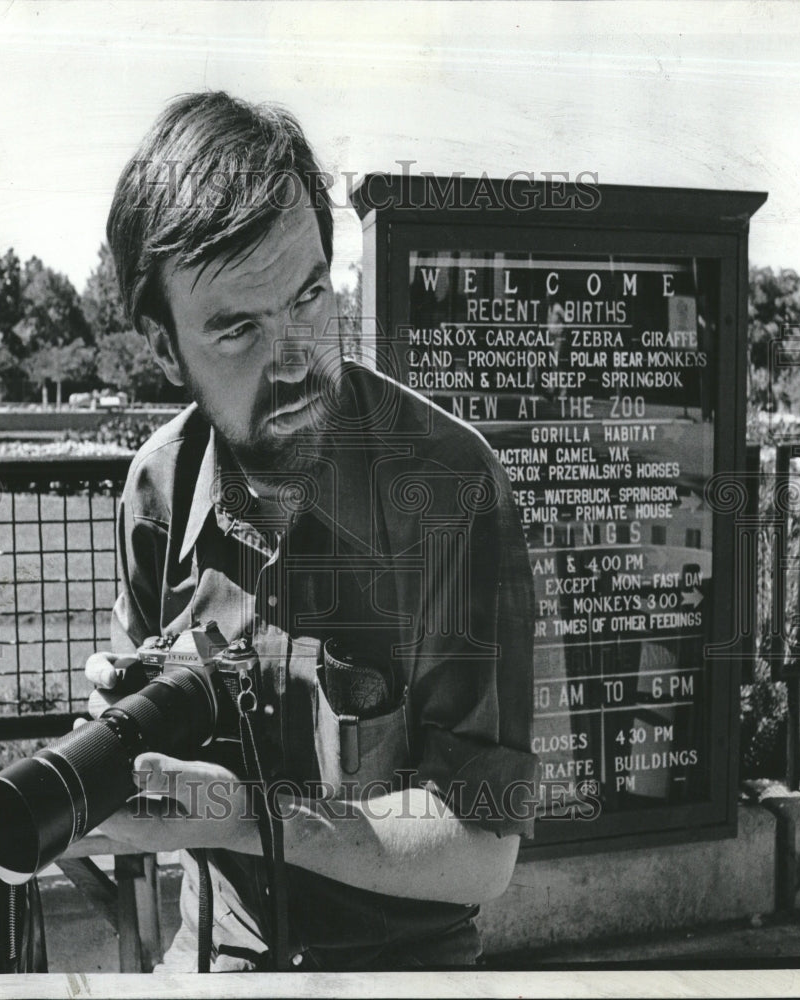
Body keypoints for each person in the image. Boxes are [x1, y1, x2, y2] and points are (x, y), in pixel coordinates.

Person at [85, 90, 538, 972]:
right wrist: (117, 742)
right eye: (238, 330)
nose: (293, 358)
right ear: (162, 346)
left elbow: (485, 851)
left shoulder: (450, 490)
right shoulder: (157, 492)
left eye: (307, 299)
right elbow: (135, 786)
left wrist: (252, 818)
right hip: (207, 961)